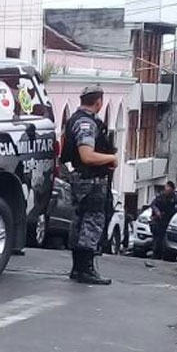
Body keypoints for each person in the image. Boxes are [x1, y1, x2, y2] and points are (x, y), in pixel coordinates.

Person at [60, 85, 117, 284]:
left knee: (81, 221)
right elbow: (87, 155)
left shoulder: (76, 119)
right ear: (99, 102)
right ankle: (86, 269)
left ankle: (78, 268)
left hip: (80, 178)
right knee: (92, 222)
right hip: (90, 180)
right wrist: (111, 158)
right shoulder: (86, 123)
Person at [150, 181, 177, 260]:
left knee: (164, 242)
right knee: (157, 240)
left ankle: (163, 256)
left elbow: (175, 209)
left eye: (168, 187)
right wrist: (157, 212)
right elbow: (153, 204)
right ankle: (155, 255)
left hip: (168, 222)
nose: (166, 189)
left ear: (172, 189)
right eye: (166, 187)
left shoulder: (175, 199)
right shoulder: (160, 196)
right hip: (158, 222)